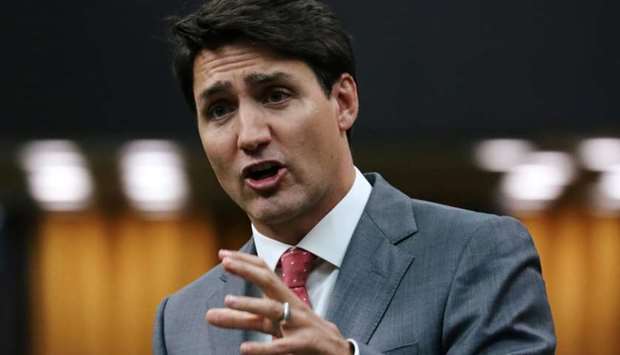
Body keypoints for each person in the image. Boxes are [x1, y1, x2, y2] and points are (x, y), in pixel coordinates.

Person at [153, 0, 556, 354]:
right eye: (220, 109)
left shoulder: (477, 254)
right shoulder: (182, 321)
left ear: (343, 102)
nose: (250, 135)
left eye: (275, 95)